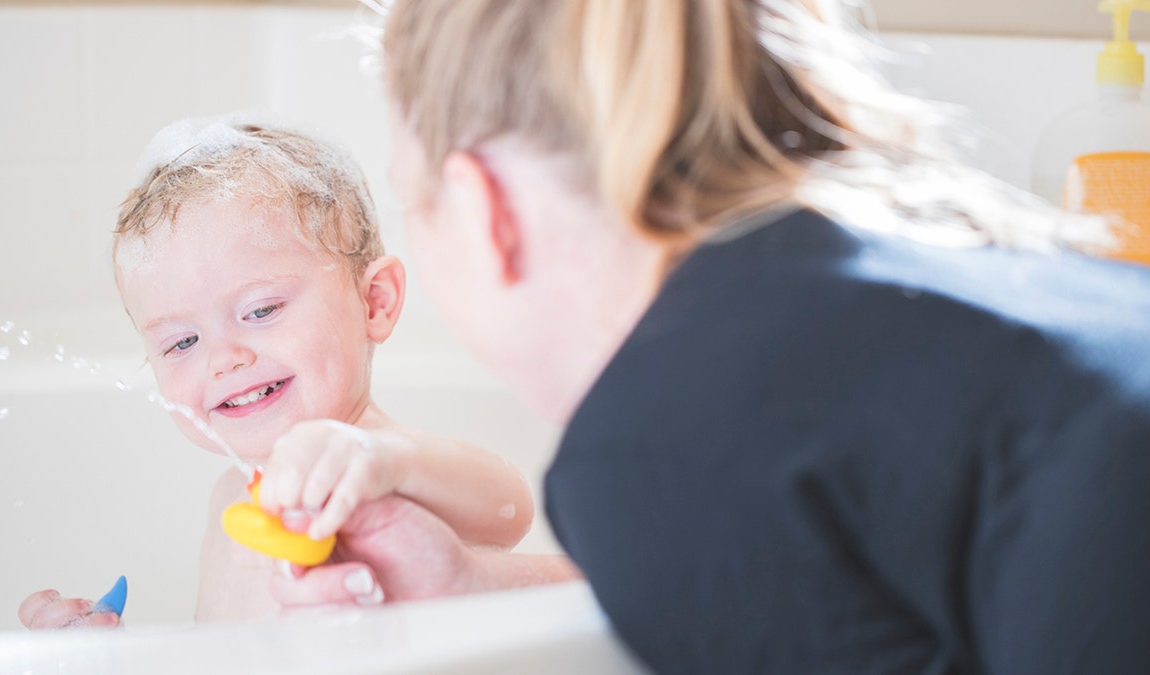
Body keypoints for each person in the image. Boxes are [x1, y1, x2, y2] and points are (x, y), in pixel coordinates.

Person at [270, 0, 1150, 672]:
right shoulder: (917, 285)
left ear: (481, 208)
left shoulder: (655, 438)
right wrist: (467, 589)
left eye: (409, 198)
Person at [16, 116, 535, 629]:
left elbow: (510, 506)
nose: (225, 359)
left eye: (261, 311)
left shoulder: (379, 466)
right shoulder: (228, 496)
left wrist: (386, 462)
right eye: (182, 342)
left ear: (374, 302)